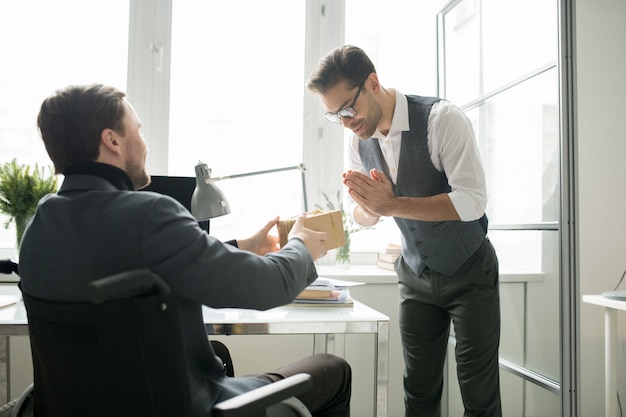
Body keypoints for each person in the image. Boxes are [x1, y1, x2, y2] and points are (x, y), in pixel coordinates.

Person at [18, 83, 351, 417]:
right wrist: (302, 245)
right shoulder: (149, 214)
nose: (145, 144)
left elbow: (140, 261)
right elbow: (269, 286)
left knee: (215, 352)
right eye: (138, 131)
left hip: (80, 406)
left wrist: (242, 248)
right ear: (112, 140)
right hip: (178, 407)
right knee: (332, 368)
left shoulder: (40, 226)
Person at [307, 45, 501, 417]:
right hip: (414, 274)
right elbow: (361, 214)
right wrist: (367, 206)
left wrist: (391, 204)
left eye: (348, 109)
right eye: (335, 116)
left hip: (470, 271)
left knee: (479, 395)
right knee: (418, 392)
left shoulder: (441, 120)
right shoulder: (357, 141)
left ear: (373, 83)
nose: (347, 123)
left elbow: (472, 200)